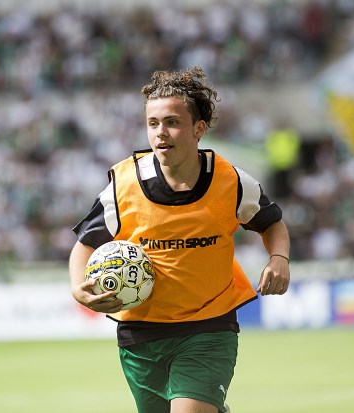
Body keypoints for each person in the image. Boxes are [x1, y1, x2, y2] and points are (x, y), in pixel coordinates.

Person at [69, 66, 290, 413]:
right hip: (141, 333)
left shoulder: (231, 181)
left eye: (172, 122)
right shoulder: (124, 184)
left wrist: (279, 258)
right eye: (153, 123)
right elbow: (85, 244)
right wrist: (77, 288)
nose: (161, 132)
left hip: (209, 326)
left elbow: (272, 224)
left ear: (198, 129)